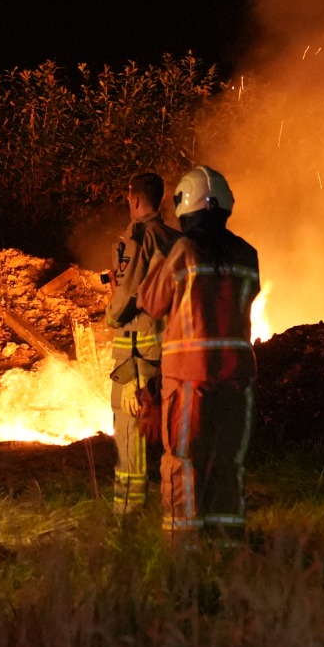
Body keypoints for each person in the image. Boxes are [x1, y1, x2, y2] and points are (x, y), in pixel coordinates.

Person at [138, 166, 260, 545]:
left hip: (189, 377)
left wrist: (161, 255)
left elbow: (151, 301)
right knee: (227, 460)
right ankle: (227, 543)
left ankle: (184, 546)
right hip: (238, 377)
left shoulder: (184, 251)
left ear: (184, 207)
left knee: (184, 460)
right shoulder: (247, 254)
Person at [105, 171, 180, 515]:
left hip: (136, 355)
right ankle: (178, 508)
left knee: (129, 429)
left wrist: (111, 314)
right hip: (172, 351)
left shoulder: (137, 238)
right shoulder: (177, 239)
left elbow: (127, 292)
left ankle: (128, 517)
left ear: (133, 199)